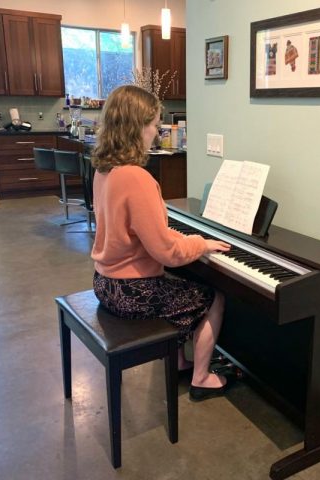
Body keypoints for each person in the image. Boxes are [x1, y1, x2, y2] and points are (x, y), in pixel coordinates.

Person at [89, 85, 232, 402]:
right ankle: (202, 377)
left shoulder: (103, 170)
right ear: (136, 126)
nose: (156, 132)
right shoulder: (136, 178)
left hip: (105, 283)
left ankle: (180, 360)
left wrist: (186, 240)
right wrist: (203, 244)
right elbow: (166, 251)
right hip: (132, 292)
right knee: (213, 296)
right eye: (154, 123)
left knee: (178, 285)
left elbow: (145, 234)